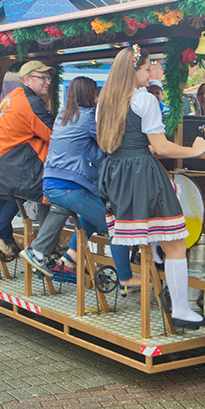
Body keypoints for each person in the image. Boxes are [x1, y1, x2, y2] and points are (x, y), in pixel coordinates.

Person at [97, 45, 205, 329]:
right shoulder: (144, 100)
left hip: (116, 173)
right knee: (175, 244)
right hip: (142, 174)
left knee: (152, 235)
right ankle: (181, 309)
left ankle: (170, 299)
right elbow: (160, 146)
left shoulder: (105, 101)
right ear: (133, 70)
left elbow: (114, 141)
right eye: (148, 68)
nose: (152, 73)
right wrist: (194, 150)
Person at [39, 77, 136, 289]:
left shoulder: (62, 117)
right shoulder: (88, 117)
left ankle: (72, 254)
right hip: (69, 187)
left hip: (52, 183)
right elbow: (109, 142)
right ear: (89, 95)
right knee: (117, 228)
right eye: (95, 93)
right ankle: (125, 278)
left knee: (93, 212)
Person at [0, 61, 67, 270]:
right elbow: (53, 133)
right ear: (26, 79)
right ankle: (40, 246)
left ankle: (8, 235)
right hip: (10, 164)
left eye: (49, 78)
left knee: (15, 193)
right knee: (55, 194)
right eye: (42, 78)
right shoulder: (30, 102)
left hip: (0, 163)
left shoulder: (11, 97)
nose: (47, 82)